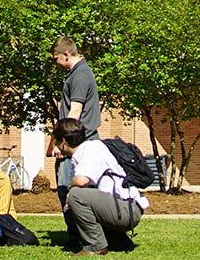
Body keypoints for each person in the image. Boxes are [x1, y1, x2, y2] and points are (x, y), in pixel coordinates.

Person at [52, 118, 149, 256]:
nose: (55, 145)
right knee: (84, 195)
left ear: (63, 142)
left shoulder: (91, 149)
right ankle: (119, 242)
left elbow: (81, 181)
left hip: (126, 210)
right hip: (123, 208)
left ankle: (95, 246)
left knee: (76, 195)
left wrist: (69, 191)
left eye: (55, 141)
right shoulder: (87, 151)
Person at [46, 36, 102, 250]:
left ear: (66, 55)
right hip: (79, 143)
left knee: (70, 191)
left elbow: (75, 112)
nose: (56, 63)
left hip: (78, 145)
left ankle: (78, 240)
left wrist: (64, 144)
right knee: (74, 192)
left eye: (56, 59)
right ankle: (82, 238)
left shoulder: (79, 76)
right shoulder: (79, 74)